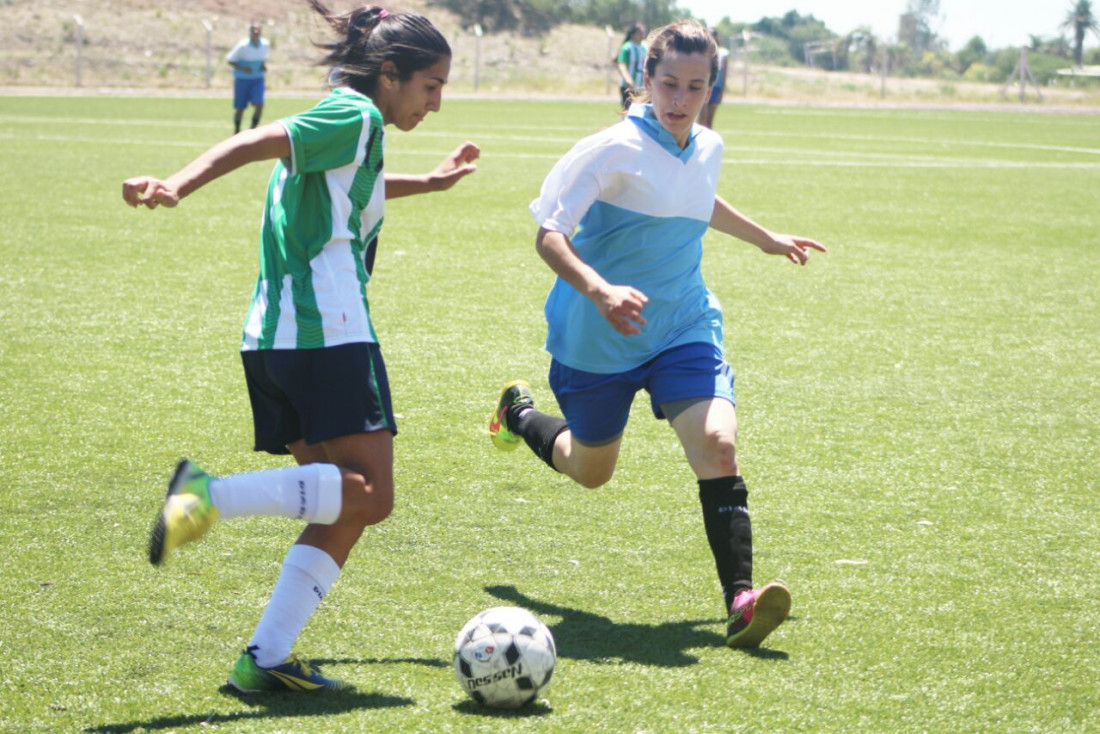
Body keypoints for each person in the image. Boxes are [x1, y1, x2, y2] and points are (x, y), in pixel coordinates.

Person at [122, 1, 480, 693]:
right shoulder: (354, 114)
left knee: (343, 507)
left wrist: (431, 182)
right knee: (371, 497)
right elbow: (257, 142)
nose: (435, 104)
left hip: (277, 337)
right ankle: (207, 497)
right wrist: (178, 184)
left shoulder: (349, 127)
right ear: (390, 74)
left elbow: (355, 190)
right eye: (430, 86)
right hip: (328, 332)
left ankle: (263, 661)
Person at [488, 20, 825, 650]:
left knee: (718, 446)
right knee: (590, 472)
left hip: (682, 325)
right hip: (598, 335)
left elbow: (696, 199)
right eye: (668, 82)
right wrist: (600, 290)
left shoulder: (708, 146)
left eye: (695, 87)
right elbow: (549, 235)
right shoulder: (607, 149)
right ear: (645, 78)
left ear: (709, 87)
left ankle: (741, 601)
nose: (679, 97)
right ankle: (520, 413)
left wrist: (766, 238)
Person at [226, 22, 270, 133]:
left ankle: (252, 130)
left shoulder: (265, 44)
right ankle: (236, 131)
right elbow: (230, 60)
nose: (256, 33)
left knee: (259, 104)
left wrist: (263, 66)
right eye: (253, 30)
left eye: (258, 30)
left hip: (257, 79)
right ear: (250, 32)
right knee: (240, 108)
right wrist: (243, 68)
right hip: (242, 80)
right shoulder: (243, 46)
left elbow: (262, 58)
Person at [697, 27, 729, 129]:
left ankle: (708, 141)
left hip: (716, 88)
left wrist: (721, 93)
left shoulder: (723, 53)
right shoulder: (701, 52)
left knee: (710, 119)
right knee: (703, 117)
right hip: (705, 86)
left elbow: (724, 74)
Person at [615, 22, 647, 110]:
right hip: (628, 87)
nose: (642, 35)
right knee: (628, 113)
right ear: (632, 35)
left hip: (642, 88)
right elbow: (621, 64)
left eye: (643, 32)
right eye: (639, 33)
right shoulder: (627, 47)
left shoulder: (645, 47)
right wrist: (628, 79)